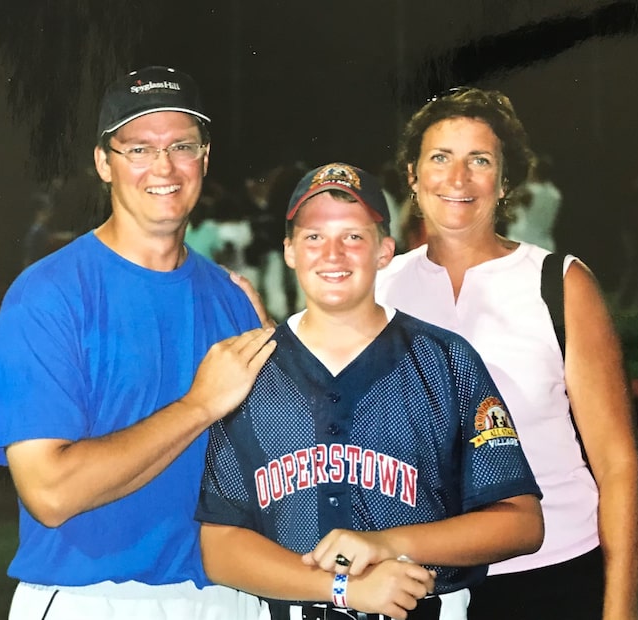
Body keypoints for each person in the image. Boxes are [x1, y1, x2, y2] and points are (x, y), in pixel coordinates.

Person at [0, 65, 275, 620]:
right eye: (138, 148)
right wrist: (199, 405)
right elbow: (51, 493)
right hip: (94, 598)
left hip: (225, 596)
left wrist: (287, 364)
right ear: (103, 163)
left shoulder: (234, 301)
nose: (163, 167)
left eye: (182, 145)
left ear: (204, 159)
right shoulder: (48, 295)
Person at [197, 162, 544, 620]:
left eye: (353, 237)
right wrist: (341, 588)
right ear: (289, 251)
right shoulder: (250, 369)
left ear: (384, 250)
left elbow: (521, 523)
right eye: (314, 237)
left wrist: (388, 544)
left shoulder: (444, 360)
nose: (333, 254)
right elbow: (219, 547)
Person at [375, 87, 638, 620]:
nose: (458, 179)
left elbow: (616, 464)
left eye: (480, 160)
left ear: (505, 181)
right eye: (440, 158)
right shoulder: (380, 286)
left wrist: (621, 608)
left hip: (553, 573)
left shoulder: (558, 284)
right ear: (412, 175)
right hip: (422, 581)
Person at [504, 153, 562, 252]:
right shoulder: (555, 194)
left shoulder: (530, 192)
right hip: (544, 245)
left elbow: (510, 199)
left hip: (523, 244)